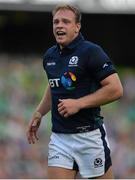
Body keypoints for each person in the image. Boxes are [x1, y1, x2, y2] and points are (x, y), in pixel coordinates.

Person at [27, 4, 123, 179]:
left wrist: (79, 103)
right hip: (60, 139)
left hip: (89, 137)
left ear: (77, 27)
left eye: (65, 21)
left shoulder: (91, 52)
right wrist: (39, 112)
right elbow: (54, 85)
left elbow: (116, 89)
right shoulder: (50, 56)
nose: (59, 26)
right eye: (56, 22)